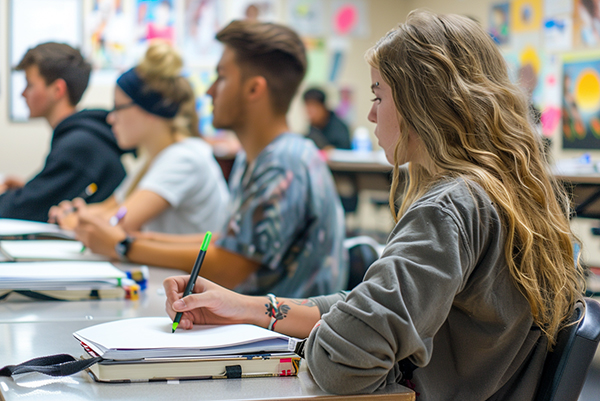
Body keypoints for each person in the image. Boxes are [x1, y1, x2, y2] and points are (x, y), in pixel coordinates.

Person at [162, 11, 585, 400]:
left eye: (378, 96)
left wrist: (342, 334)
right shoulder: (509, 194)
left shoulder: (449, 208)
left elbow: (343, 364)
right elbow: (367, 306)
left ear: (423, 104)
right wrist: (249, 309)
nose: (369, 114)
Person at [73, 21, 347, 298]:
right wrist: (143, 239)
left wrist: (124, 246)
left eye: (221, 77)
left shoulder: (283, 163)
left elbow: (228, 267)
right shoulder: (253, 158)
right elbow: (227, 243)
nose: (209, 91)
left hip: (278, 339)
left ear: (254, 90)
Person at [49, 40, 229, 237]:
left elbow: (118, 223)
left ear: (149, 110)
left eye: (119, 108)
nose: (111, 117)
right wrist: (75, 213)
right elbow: (113, 207)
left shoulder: (184, 158)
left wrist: (77, 221)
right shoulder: (154, 158)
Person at [0, 42, 126, 223]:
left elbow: (24, 209)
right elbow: (48, 194)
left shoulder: (78, 146)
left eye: (30, 85)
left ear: (58, 90)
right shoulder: (83, 136)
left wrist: (5, 195)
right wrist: (27, 189)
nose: (22, 94)